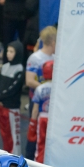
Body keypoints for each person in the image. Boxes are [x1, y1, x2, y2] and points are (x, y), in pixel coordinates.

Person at [24, 26, 55, 159]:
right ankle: (29, 162)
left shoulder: (56, 57)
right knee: (34, 134)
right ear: (53, 42)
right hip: (38, 102)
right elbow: (29, 81)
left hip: (52, 104)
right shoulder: (35, 58)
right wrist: (46, 90)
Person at [0, 40, 26, 155]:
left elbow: (12, 89)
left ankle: (15, 158)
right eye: (8, 51)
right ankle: (6, 154)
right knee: (4, 133)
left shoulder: (20, 70)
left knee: (14, 134)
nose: (8, 54)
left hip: (12, 107)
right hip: (2, 106)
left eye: (12, 52)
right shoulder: (5, 67)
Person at [30, 60, 54, 167]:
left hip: (43, 118)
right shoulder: (59, 88)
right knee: (55, 146)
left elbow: (35, 109)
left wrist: (32, 124)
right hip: (55, 120)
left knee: (40, 146)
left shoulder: (40, 88)